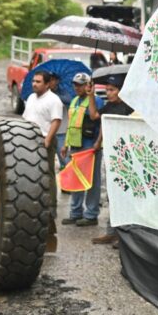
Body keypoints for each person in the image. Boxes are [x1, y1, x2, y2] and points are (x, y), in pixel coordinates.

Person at [92, 73, 133, 246]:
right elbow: (96, 117)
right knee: (110, 194)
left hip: (124, 156)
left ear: (120, 91)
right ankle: (111, 231)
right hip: (108, 153)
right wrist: (90, 95)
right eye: (107, 90)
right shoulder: (108, 107)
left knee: (123, 194)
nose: (108, 93)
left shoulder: (129, 108)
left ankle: (124, 235)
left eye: (112, 90)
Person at [60, 72, 104, 227]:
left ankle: (91, 215)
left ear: (88, 85)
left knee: (91, 180)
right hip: (75, 145)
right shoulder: (74, 101)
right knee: (76, 179)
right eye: (75, 84)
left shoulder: (96, 100)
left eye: (80, 84)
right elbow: (71, 124)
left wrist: (98, 143)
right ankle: (76, 213)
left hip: (90, 146)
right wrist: (65, 144)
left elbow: (101, 122)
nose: (77, 87)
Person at [22, 72, 63, 176]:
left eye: (38, 81)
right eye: (33, 81)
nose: (34, 84)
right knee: (30, 171)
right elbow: (26, 117)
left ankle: (50, 193)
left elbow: (56, 121)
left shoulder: (54, 100)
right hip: (28, 138)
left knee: (46, 172)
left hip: (44, 139)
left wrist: (47, 140)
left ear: (47, 84)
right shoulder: (31, 97)